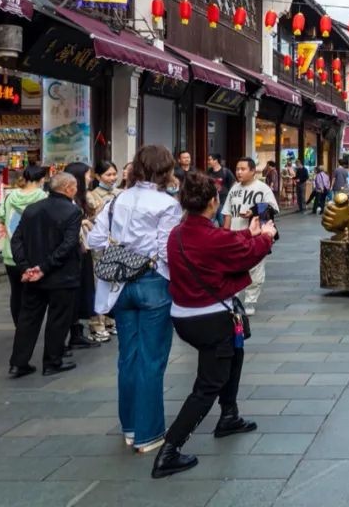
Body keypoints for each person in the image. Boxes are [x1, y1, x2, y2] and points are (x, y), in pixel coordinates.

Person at [153, 171, 276, 478]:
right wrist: (264, 238)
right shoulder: (212, 237)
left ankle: (229, 415)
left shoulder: (178, 233)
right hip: (210, 318)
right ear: (213, 202)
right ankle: (170, 450)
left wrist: (250, 233)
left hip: (185, 315)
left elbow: (227, 245)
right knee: (208, 384)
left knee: (235, 353)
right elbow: (242, 254)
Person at [89, 145, 183, 454]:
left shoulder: (117, 199)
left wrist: (121, 247)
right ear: (165, 170)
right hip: (153, 281)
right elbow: (167, 250)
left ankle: (129, 427)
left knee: (127, 357)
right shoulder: (167, 204)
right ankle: (148, 433)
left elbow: (94, 239)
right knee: (151, 359)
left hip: (119, 284)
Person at [8, 172, 83, 378]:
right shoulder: (72, 211)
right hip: (61, 275)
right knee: (58, 319)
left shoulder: (32, 209)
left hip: (33, 275)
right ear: (67, 188)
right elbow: (68, 244)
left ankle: (18, 363)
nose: (76, 190)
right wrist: (44, 267)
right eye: (75, 187)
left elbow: (16, 240)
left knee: (28, 319)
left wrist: (25, 267)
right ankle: (52, 361)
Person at [224, 157, 279, 315]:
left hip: (256, 236)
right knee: (233, 268)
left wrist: (253, 212)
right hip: (235, 235)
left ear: (253, 171)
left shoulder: (262, 188)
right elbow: (227, 213)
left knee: (256, 270)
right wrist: (225, 233)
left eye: (243, 169)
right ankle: (233, 299)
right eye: (237, 169)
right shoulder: (234, 189)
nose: (239, 172)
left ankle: (250, 301)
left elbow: (273, 208)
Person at [0, 165, 48, 326]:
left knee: (16, 292)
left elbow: (1, 217)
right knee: (33, 295)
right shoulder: (43, 198)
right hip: (33, 255)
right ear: (42, 179)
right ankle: (27, 329)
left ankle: (18, 326)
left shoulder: (10, 196)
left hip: (10, 254)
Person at [64, 162, 103, 349]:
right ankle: (71, 334)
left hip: (84, 249)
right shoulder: (70, 201)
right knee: (75, 294)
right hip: (76, 251)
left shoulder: (83, 197)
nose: (90, 178)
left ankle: (77, 332)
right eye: (87, 174)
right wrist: (83, 222)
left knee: (82, 293)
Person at [87, 160, 119, 340]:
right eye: (108, 174)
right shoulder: (91, 196)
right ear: (98, 176)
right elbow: (92, 219)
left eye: (114, 174)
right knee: (99, 282)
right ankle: (97, 322)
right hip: (99, 245)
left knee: (114, 281)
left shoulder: (120, 193)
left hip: (115, 245)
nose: (112, 178)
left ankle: (110, 319)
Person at [206, 154, 235, 225]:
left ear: (216, 160)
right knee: (210, 222)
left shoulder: (226, 171)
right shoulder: (208, 172)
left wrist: (231, 196)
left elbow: (233, 183)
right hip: (212, 201)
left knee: (222, 221)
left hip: (223, 200)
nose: (208, 162)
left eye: (210, 160)